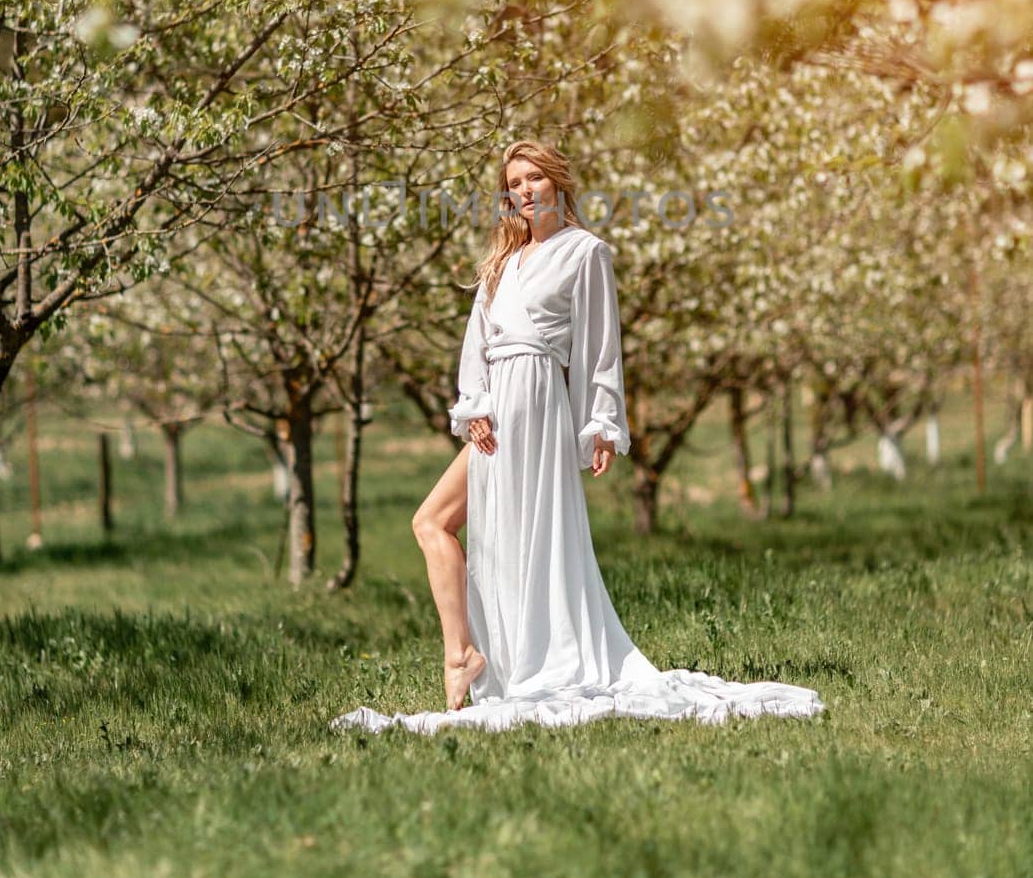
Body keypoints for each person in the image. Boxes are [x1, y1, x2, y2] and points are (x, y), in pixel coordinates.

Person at [329, 140, 826, 734]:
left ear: (558, 182)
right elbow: (476, 343)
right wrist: (476, 404)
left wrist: (602, 423)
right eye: (514, 182)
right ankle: (464, 651)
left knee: (514, 531)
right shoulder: (502, 262)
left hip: (539, 402)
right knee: (432, 521)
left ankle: (497, 657)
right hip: (497, 406)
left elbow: (599, 346)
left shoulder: (586, 252)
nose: (524, 190)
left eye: (535, 176)